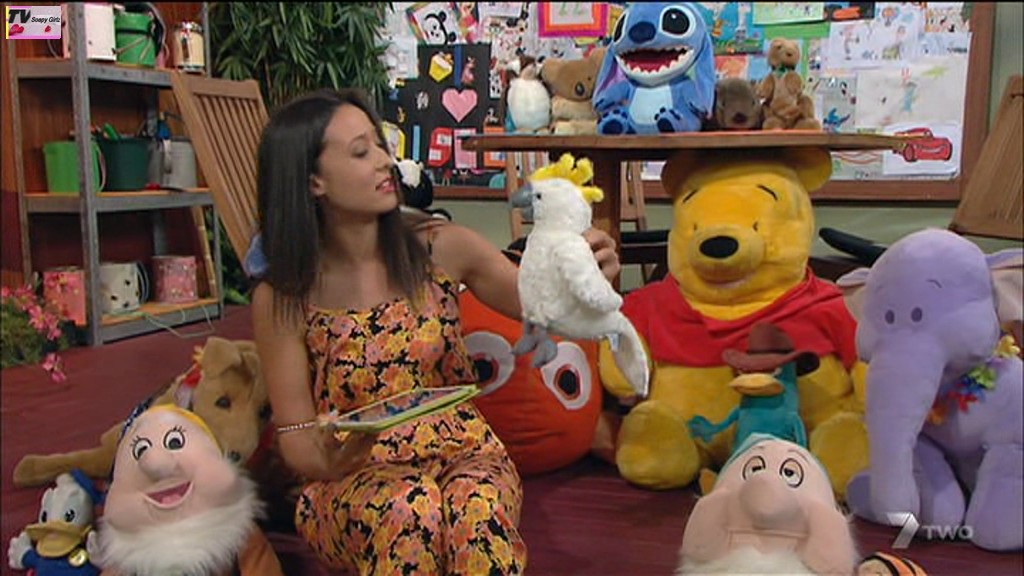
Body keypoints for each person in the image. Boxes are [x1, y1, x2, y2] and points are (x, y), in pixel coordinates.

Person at [249, 88, 621, 575]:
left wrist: (591, 276)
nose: (385, 161)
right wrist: (332, 463)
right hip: (353, 475)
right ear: (313, 181)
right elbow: (297, 435)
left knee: (475, 512)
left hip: (464, 452)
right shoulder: (282, 296)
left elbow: (548, 306)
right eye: (361, 152)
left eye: (381, 145)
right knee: (411, 507)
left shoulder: (441, 249)